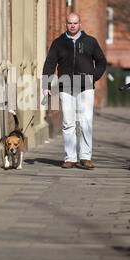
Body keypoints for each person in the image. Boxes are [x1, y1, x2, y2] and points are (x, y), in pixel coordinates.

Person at [42, 12, 107, 169]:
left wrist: (94, 77)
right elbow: (50, 63)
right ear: (66, 24)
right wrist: (46, 85)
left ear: (80, 24)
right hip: (66, 87)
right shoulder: (58, 43)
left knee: (86, 122)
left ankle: (85, 157)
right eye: (70, 23)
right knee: (68, 122)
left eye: (75, 23)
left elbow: (101, 61)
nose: (72, 26)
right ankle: (70, 158)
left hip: (86, 87)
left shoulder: (90, 42)